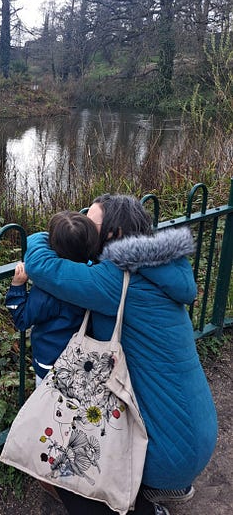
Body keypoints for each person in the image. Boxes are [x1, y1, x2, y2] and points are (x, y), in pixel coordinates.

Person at [23, 194, 217, 515]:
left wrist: (49, 234)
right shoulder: (160, 268)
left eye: (90, 221)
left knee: (66, 468)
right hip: (195, 434)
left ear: (113, 235)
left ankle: (141, 506)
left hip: (166, 452)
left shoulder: (117, 281)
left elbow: (42, 267)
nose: (83, 223)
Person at [5, 211, 99, 386]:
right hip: (84, 361)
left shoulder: (48, 291)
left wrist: (17, 287)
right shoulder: (97, 274)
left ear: (52, 246)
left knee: (48, 408)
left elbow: (22, 319)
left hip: (50, 366)